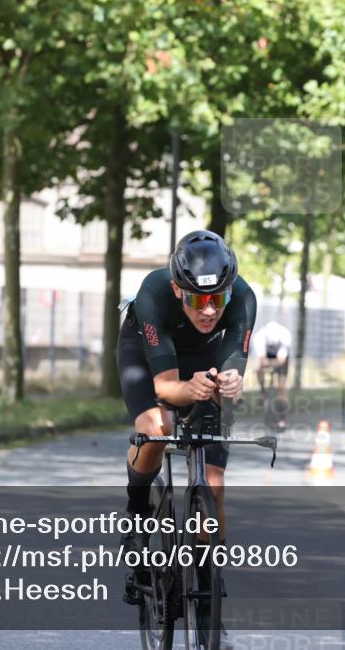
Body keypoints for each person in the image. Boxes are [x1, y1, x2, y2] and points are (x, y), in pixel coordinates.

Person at [117, 230, 256, 619]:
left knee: (214, 482)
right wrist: (188, 389)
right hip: (148, 352)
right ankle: (137, 513)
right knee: (156, 426)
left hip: (204, 354)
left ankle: (207, 571)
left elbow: (233, 371)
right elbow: (164, 386)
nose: (209, 310)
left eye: (218, 298)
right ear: (179, 291)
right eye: (198, 299)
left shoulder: (243, 297)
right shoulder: (154, 294)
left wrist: (230, 382)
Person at [252, 320, 292, 429]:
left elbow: (281, 360)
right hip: (266, 355)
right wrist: (263, 365)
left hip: (282, 358)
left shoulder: (285, 335)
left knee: (282, 388)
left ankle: (282, 418)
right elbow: (261, 359)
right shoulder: (259, 336)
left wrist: (271, 364)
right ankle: (262, 389)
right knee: (258, 368)